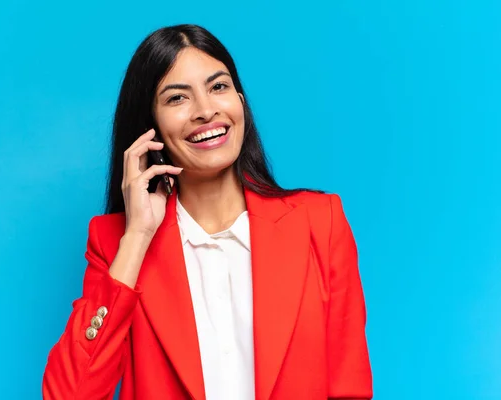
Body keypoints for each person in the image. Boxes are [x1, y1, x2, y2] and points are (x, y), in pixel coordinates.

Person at [42, 24, 372, 400]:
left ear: (240, 102)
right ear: (150, 130)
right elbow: (70, 394)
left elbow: (350, 389)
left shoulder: (320, 222)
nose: (205, 110)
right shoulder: (115, 241)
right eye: (177, 98)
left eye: (218, 87)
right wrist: (136, 238)